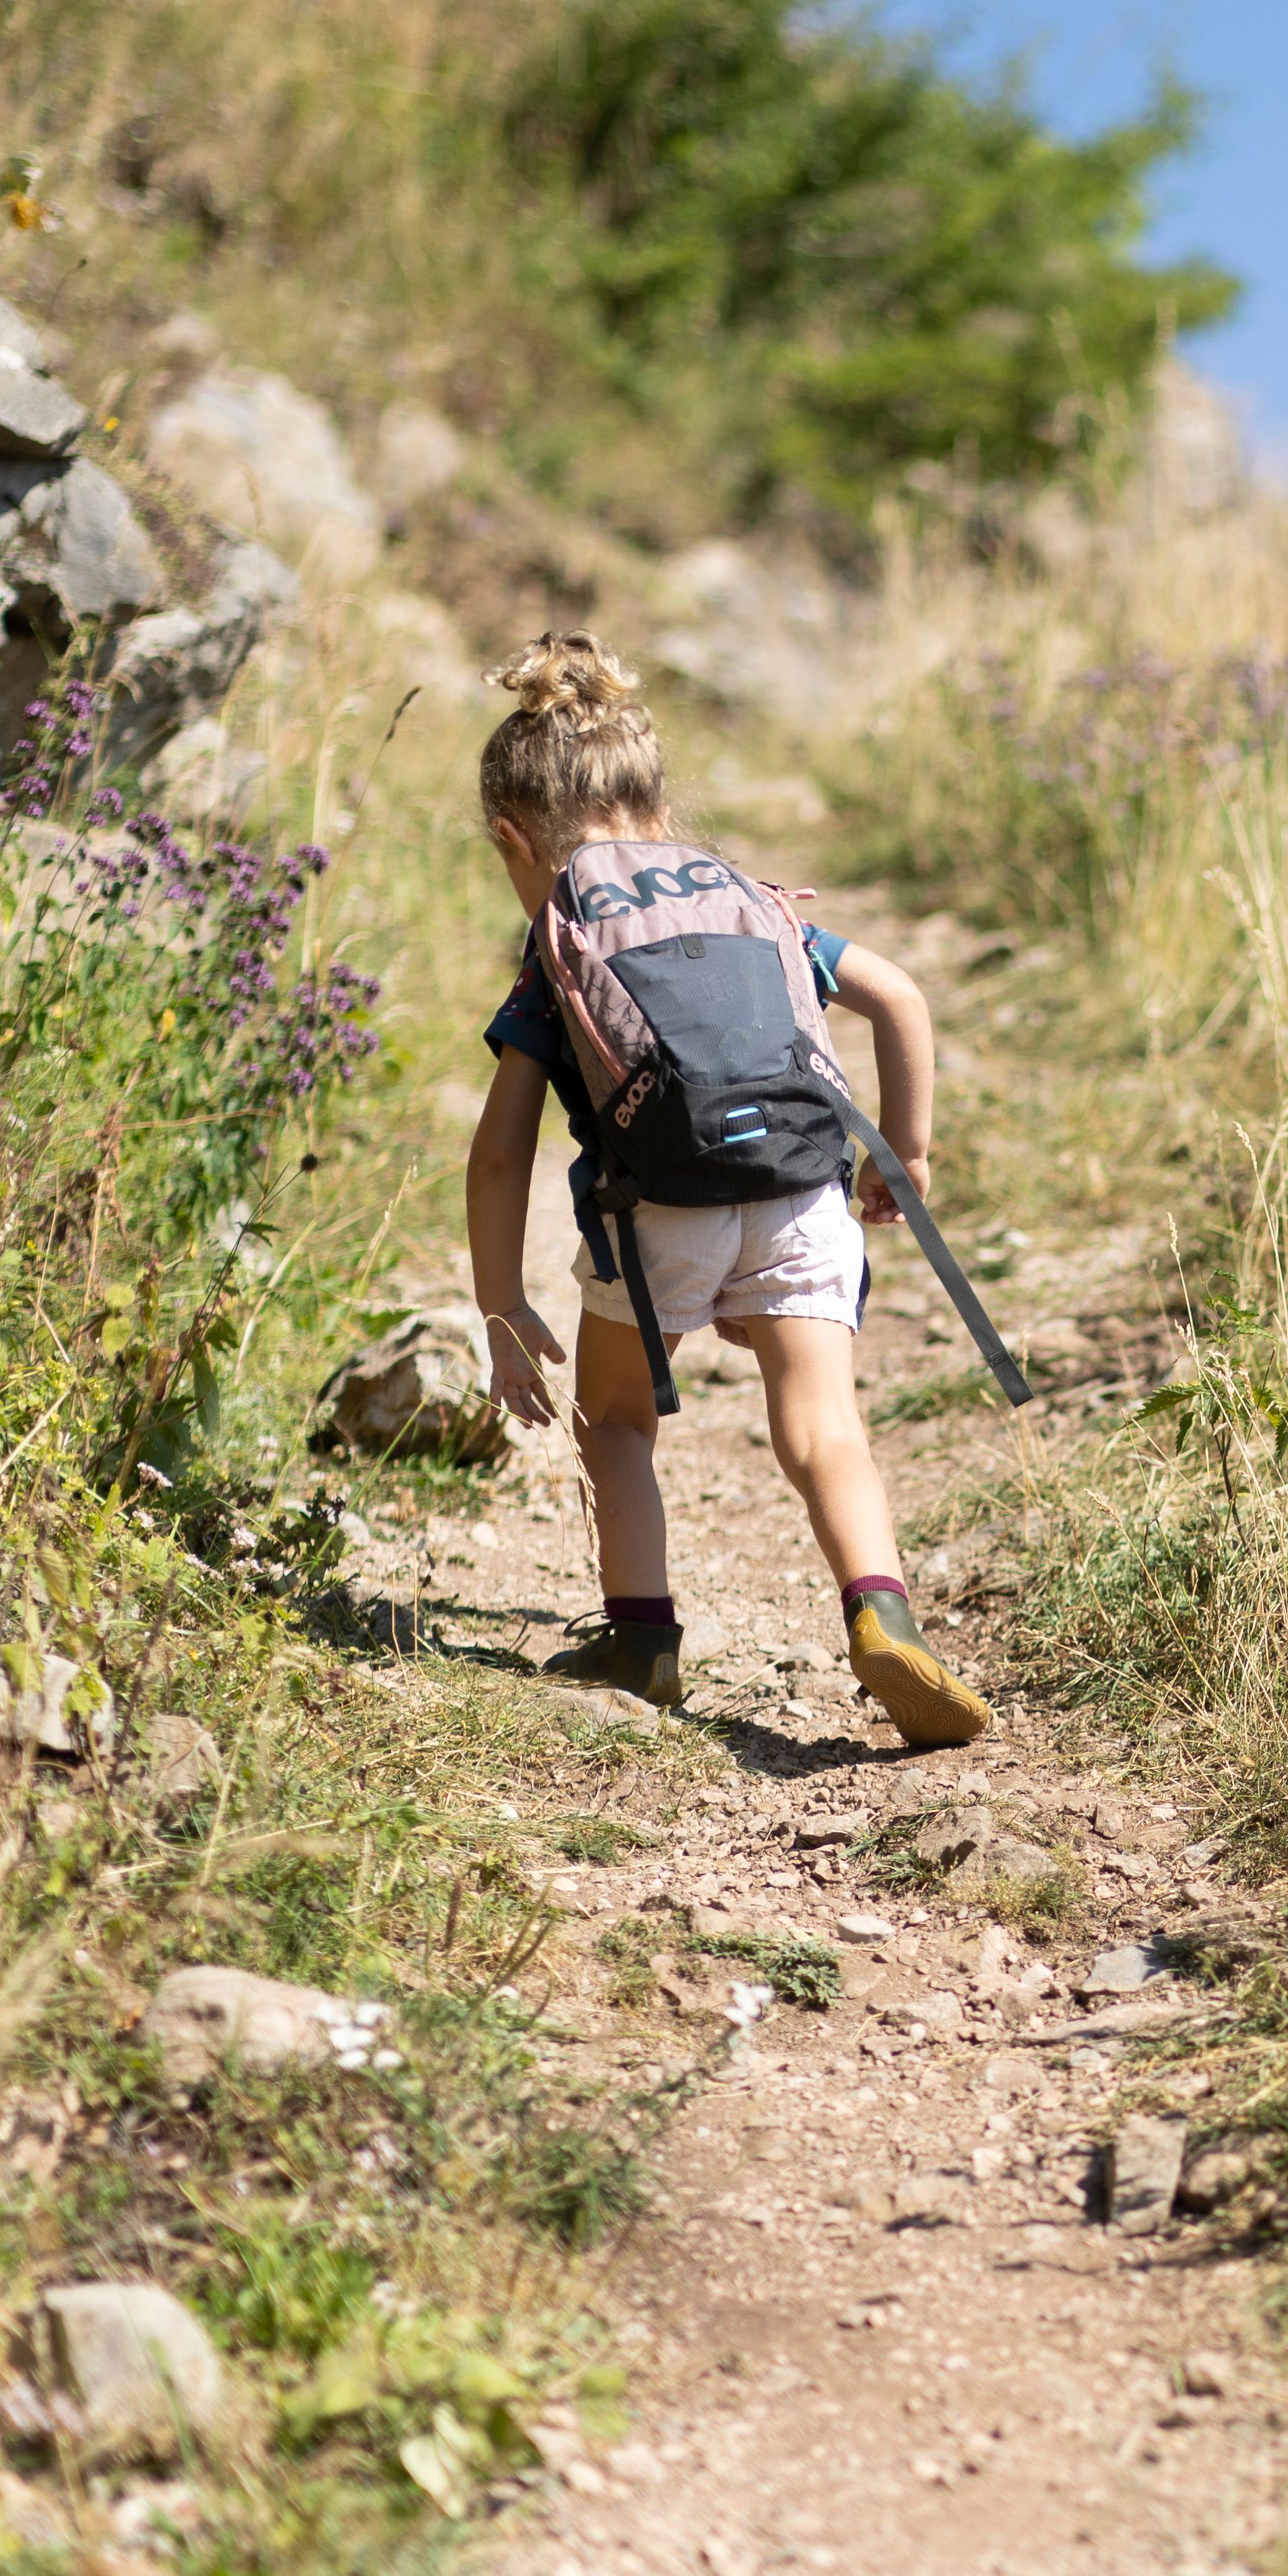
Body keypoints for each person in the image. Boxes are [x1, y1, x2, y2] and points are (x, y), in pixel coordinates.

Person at [459, 631, 990, 1748]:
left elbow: (501, 1150)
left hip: (657, 1213)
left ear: (512, 839)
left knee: (616, 1420)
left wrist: (501, 1305)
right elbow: (899, 998)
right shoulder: (758, 901)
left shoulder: (559, 941)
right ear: (658, 811)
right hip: (804, 1190)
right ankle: (883, 1615)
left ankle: (643, 1640)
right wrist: (906, 1152)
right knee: (825, 1425)